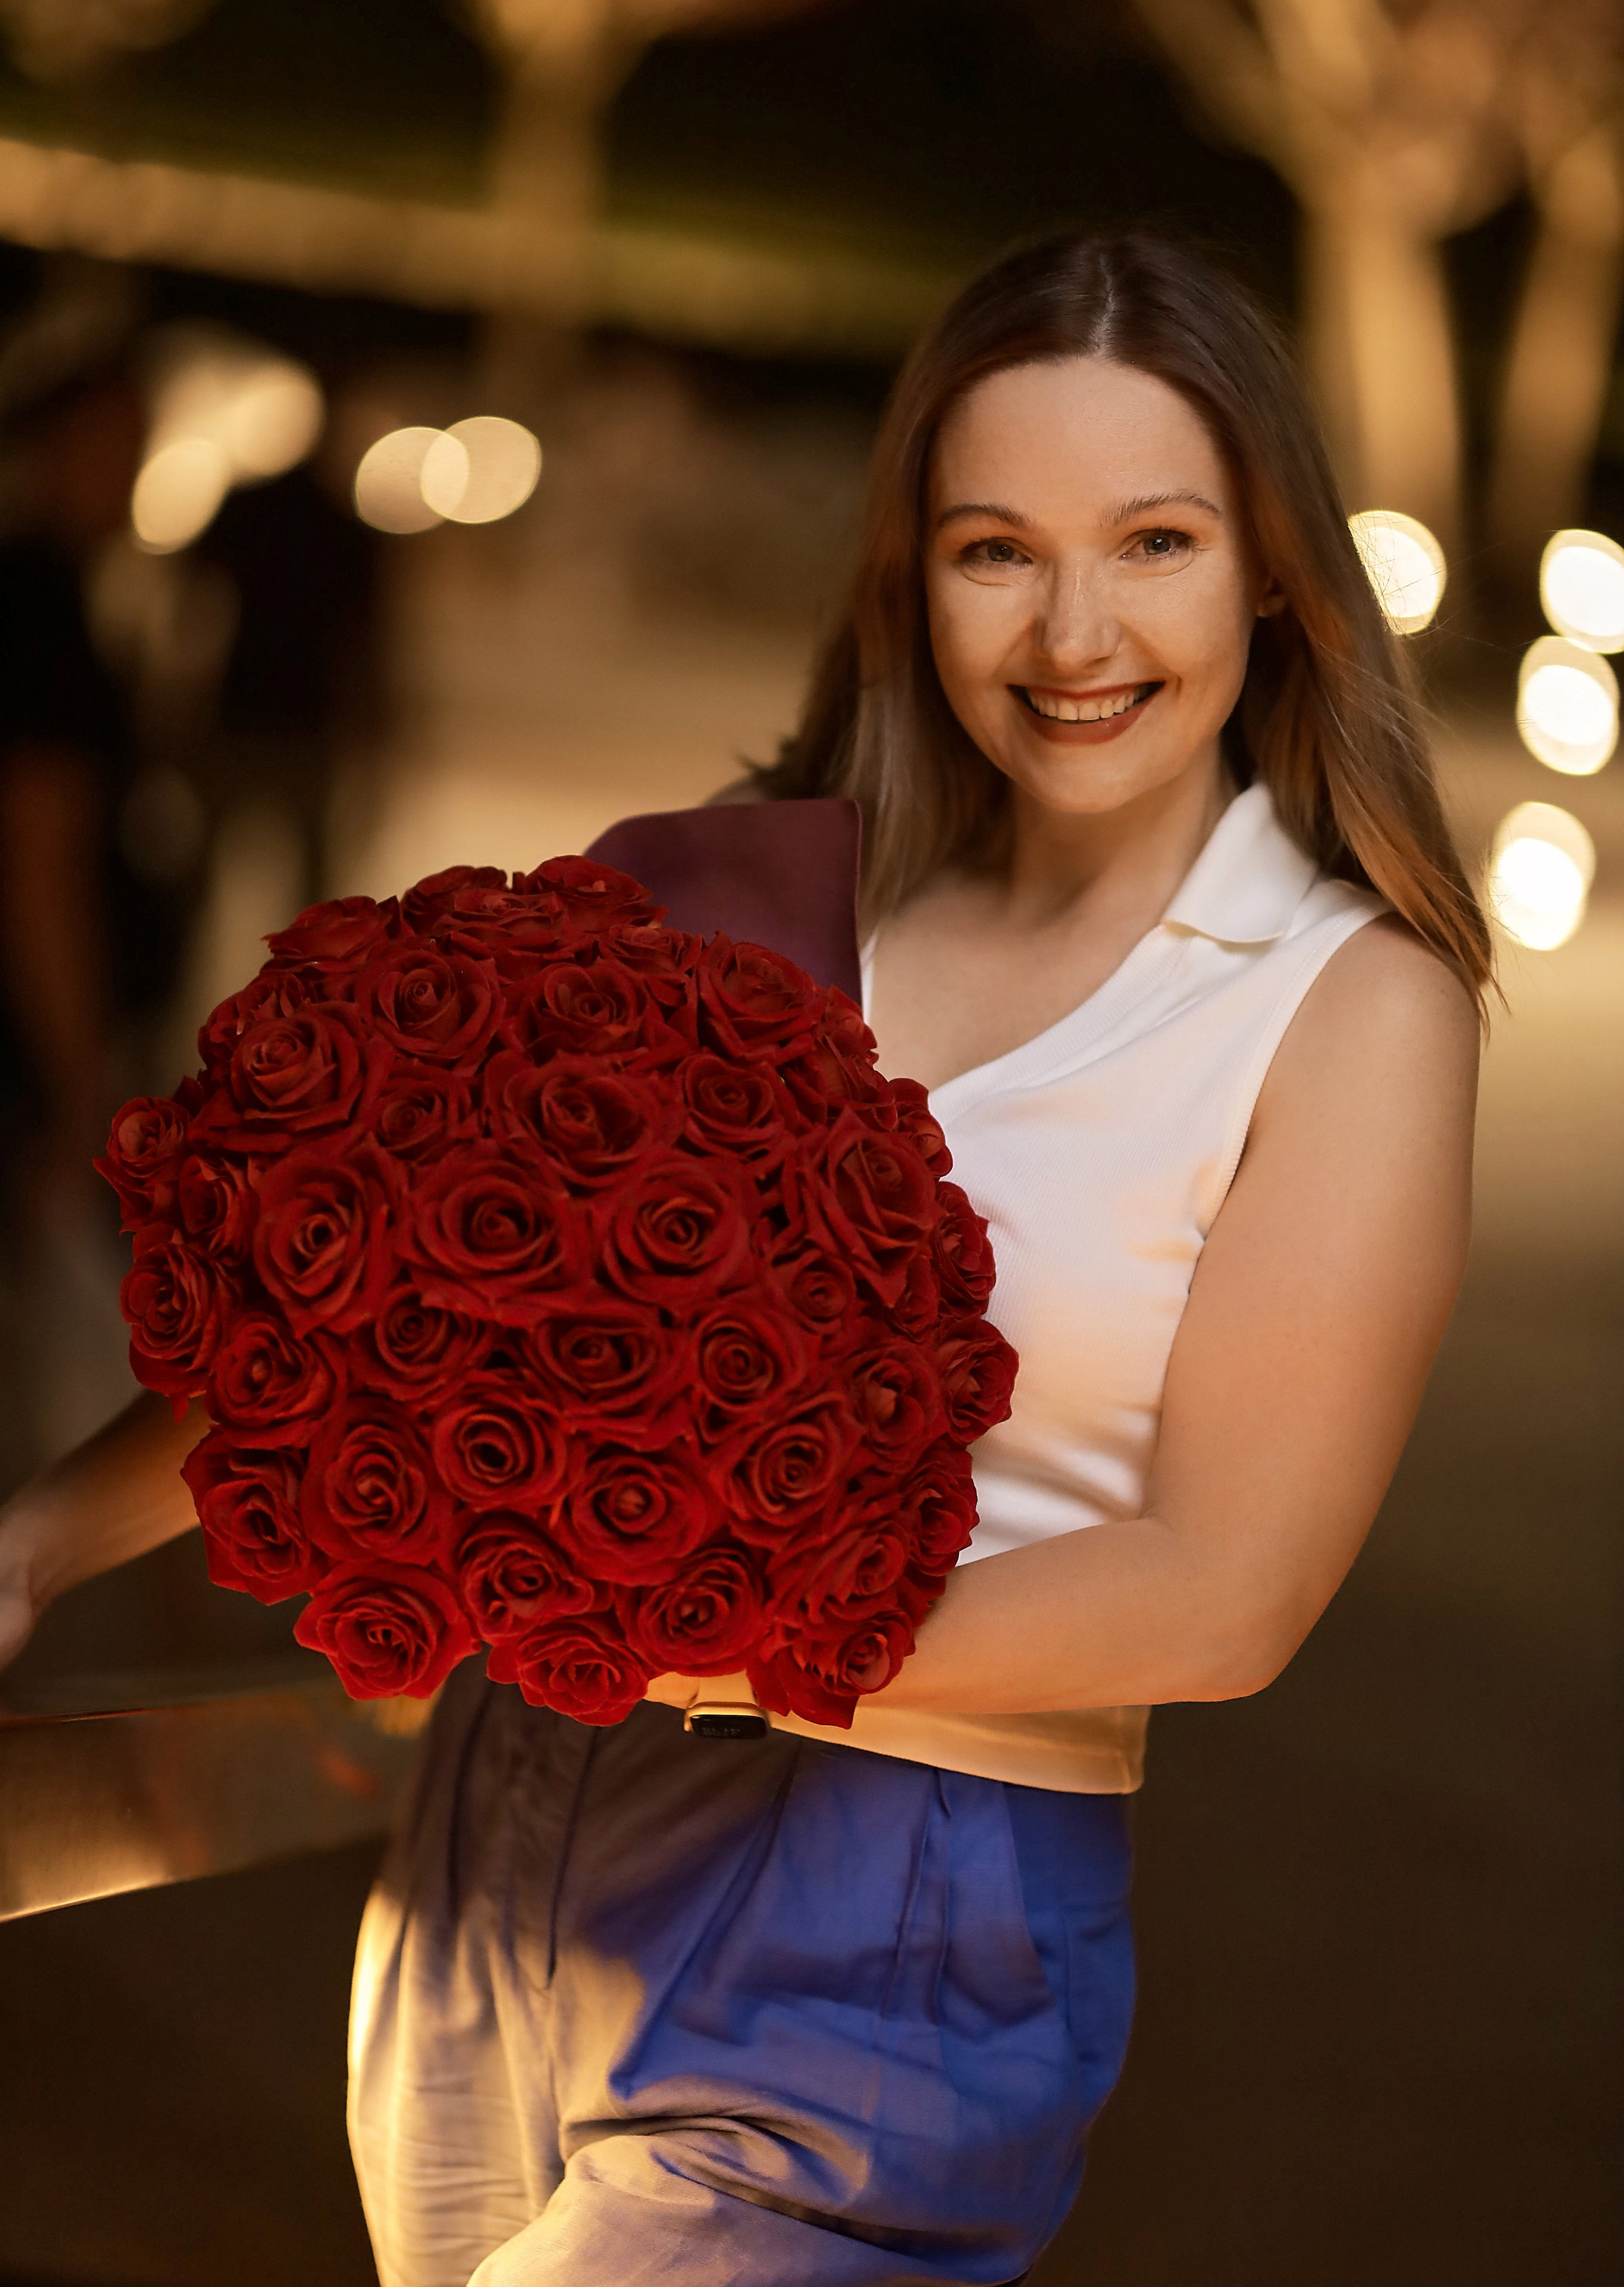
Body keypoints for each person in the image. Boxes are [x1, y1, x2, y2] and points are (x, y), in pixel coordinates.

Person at [0, 230, 1487, 2286]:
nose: (1074, 630)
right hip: (496, 1821)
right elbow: (379, 1328)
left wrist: (669, 1617)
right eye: (996, 548)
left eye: (1152, 540)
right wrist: (35, 1551)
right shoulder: (724, 893)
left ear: (1272, 571)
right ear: (912, 571)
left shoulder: (1340, 1003)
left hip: (901, 1889)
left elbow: (1227, 1592)